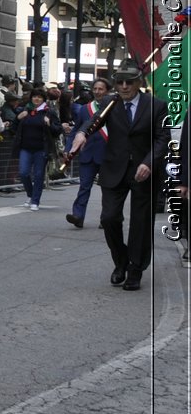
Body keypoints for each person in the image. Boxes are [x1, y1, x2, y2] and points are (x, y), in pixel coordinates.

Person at [69, 61, 167, 290]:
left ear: (139, 83)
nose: (123, 86)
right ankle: (121, 260)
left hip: (144, 171)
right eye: (120, 82)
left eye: (129, 82)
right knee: (109, 218)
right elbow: (92, 122)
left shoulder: (157, 106)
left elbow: (163, 138)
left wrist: (149, 163)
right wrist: (82, 134)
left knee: (140, 224)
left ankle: (135, 269)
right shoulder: (109, 102)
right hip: (114, 169)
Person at [64, 78, 110, 228]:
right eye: (95, 89)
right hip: (88, 153)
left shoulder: (114, 108)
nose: (97, 92)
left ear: (107, 91)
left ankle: (106, 218)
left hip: (107, 154)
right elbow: (77, 130)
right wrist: (68, 148)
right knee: (84, 186)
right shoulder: (85, 109)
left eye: (100, 89)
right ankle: (78, 215)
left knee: (107, 189)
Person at [13, 88, 62, 211]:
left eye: (39, 97)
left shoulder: (49, 112)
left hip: (42, 148)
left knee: (39, 175)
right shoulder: (25, 111)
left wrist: (50, 124)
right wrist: (18, 118)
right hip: (25, 147)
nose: (36, 99)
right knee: (23, 173)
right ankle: (30, 194)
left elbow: (58, 130)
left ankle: (35, 200)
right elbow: (14, 128)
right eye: (34, 96)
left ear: (43, 99)